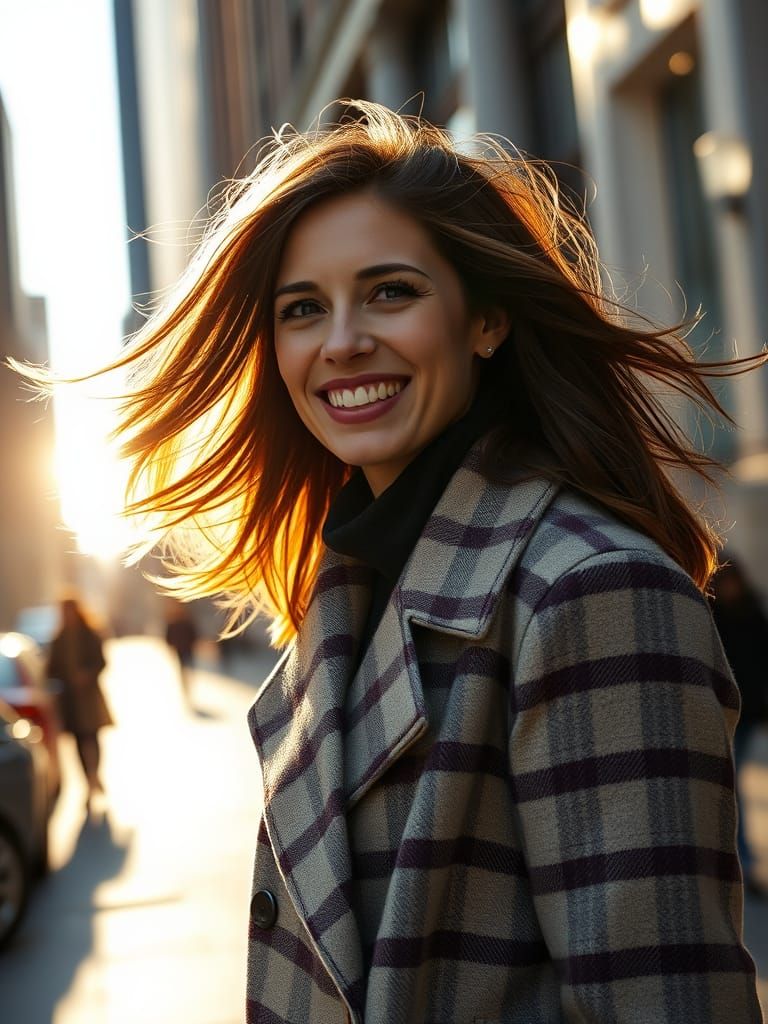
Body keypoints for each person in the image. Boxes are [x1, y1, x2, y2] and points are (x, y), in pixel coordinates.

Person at [22, 102, 765, 1021]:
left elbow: (663, 1001)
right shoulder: (353, 583)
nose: (341, 342)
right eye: (303, 310)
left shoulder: (590, 588)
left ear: (486, 318)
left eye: (391, 291)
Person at [710, 559, 768, 895]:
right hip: (720, 712)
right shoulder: (715, 616)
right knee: (728, 785)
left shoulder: (750, 613)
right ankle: (736, 860)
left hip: (746, 715)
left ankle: (741, 861)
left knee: (732, 784)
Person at [47, 595, 113, 807]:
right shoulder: (59, 638)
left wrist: (87, 674)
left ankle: (95, 774)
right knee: (78, 742)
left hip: (89, 698)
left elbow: (102, 661)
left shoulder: (89, 634)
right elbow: (51, 669)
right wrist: (63, 678)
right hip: (70, 701)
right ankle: (89, 781)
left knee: (92, 738)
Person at [163, 601, 199, 706]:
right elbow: (168, 637)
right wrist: (170, 646)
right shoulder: (172, 622)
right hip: (180, 649)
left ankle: (188, 684)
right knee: (183, 667)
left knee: (188, 667)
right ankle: (185, 685)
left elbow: (193, 634)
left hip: (187, 648)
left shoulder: (186, 621)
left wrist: (193, 643)